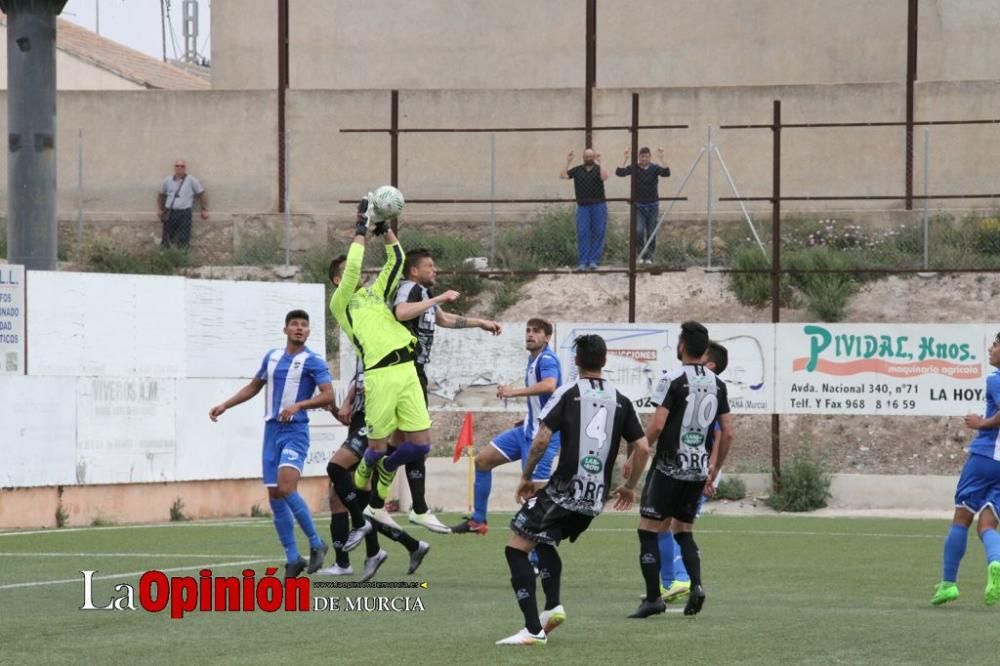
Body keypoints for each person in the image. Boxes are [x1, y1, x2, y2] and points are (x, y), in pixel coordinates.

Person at [496, 334, 650, 646]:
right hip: (594, 500)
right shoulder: (621, 399)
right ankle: (552, 608)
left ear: (576, 361)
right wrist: (629, 487)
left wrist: (526, 476)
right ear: (604, 362)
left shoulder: (568, 392)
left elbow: (541, 439)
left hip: (564, 491)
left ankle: (532, 631)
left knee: (515, 548)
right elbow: (644, 448)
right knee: (543, 541)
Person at [208, 310, 333, 577]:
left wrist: (300, 404)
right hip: (271, 432)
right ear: (285, 329)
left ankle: (316, 543)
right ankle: (292, 558)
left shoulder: (313, 361)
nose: (299, 328)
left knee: (287, 487)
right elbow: (254, 386)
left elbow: (328, 395)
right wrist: (225, 405)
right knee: (275, 494)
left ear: (308, 332)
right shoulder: (272, 357)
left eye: (304, 325)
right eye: (295, 324)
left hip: (295, 431)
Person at [328, 198, 434, 506]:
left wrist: (384, 227)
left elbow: (397, 260)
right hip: (377, 375)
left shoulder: (375, 293)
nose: (355, 272)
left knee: (420, 444)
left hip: (405, 368)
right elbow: (351, 274)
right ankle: (368, 503)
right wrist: (360, 229)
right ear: (337, 279)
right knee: (375, 445)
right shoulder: (341, 302)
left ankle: (387, 470)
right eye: (347, 269)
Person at [393, 247, 503, 534]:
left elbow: (443, 320)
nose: (435, 270)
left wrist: (479, 323)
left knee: (402, 441)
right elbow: (401, 312)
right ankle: (415, 506)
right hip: (403, 371)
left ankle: (399, 500)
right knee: (417, 441)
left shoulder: (424, 295)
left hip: (415, 372)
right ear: (415, 270)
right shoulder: (409, 288)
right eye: (430, 266)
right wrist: (440, 297)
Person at [629, 321, 732, 619]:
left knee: (647, 529)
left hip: (669, 468)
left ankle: (652, 599)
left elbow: (658, 424)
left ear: (683, 346)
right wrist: (714, 468)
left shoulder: (671, 378)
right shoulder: (718, 383)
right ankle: (696, 586)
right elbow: (728, 432)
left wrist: (640, 449)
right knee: (683, 531)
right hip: (697, 470)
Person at [318, 356, 430, 581]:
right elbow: (357, 388)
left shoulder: (388, 350)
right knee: (347, 499)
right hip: (360, 424)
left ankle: (349, 559)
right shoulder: (363, 351)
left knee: (342, 482)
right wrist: (342, 405)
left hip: (375, 424)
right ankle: (401, 547)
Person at [452, 318, 561, 535]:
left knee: (531, 498)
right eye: (528, 330)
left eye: (536, 331)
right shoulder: (534, 359)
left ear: (547, 337)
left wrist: (514, 392)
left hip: (543, 437)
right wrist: (528, 417)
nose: (530, 335)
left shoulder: (547, 358)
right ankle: (478, 521)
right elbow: (546, 400)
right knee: (482, 461)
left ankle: (537, 560)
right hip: (526, 430)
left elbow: (550, 385)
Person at [656, 340, 729, 603]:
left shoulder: (712, 392)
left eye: (703, 356)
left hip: (699, 470)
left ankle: (682, 579)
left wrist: (713, 472)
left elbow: (721, 436)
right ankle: (672, 582)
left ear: (710, 365)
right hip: (693, 467)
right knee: (670, 525)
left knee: (678, 526)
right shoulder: (704, 392)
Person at [931, 332, 1000, 606]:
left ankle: (948, 584)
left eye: (996, 345)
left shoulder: (996, 379)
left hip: (986, 457)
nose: (990, 349)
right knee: (988, 523)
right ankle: (995, 563)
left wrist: (981, 423)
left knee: (961, 518)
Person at [615, 147, 670, 264]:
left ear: (650, 157)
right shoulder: (634, 168)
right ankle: (640, 254)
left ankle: (649, 256)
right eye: (641, 156)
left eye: (646, 156)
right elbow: (619, 173)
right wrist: (625, 158)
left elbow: (667, 173)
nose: (644, 158)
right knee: (639, 231)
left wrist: (662, 158)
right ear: (639, 157)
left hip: (653, 206)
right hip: (639, 206)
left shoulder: (654, 168)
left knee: (651, 232)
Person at [560, 148, 609, 271]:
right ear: (583, 157)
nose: (588, 158)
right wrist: (568, 161)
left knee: (598, 232)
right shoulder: (577, 170)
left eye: (591, 156)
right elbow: (562, 175)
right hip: (583, 206)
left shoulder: (598, 169)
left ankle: (593, 261)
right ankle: (582, 261)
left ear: (593, 157)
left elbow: (604, 177)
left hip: (598, 205)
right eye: (586, 156)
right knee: (583, 232)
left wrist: (601, 161)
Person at [157, 158, 207, 249]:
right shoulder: (167, 180)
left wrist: (204, 209)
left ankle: (182, 259)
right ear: (174, 168)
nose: (179, 168)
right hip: (170, 212)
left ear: (185, 168)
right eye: (177, 166)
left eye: (182, 166)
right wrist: (160, 209)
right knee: (167, 237)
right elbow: (161, 195)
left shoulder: (191, 180)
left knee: (183, 238)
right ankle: (164, 259)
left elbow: (201, 193)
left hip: (184, 213)